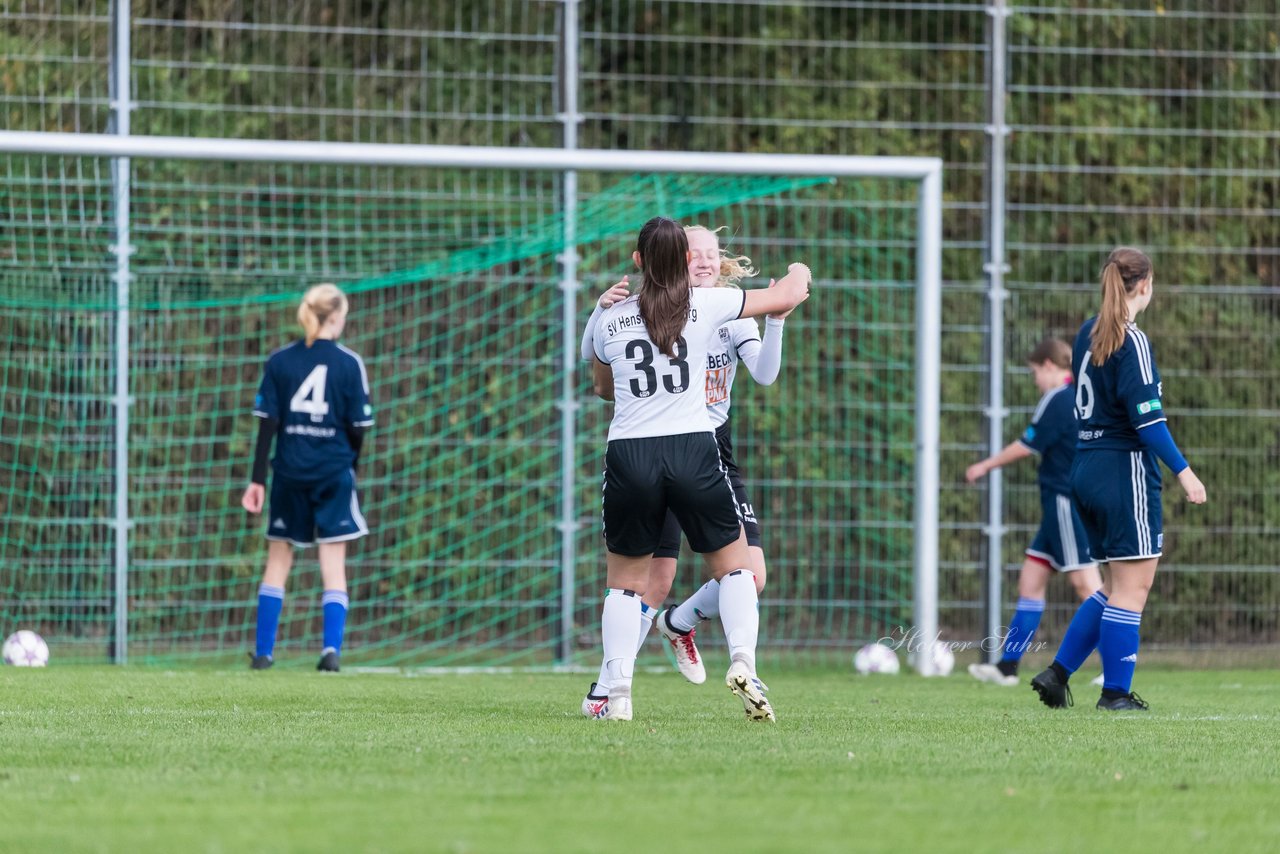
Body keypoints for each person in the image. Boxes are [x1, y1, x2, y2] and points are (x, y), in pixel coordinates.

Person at [583, 216, 810, 721]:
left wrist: (598, 317)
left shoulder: (613, 314)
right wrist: (796, 271)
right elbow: (793, 289)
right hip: (692, 447)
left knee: (624, 582)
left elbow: (598, 382)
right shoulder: (707, 305)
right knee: (733, 569)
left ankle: (615, 693)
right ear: (680, 262)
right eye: (694, 253)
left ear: (639, 262)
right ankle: (743, 660)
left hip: (632, 450)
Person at [1030, 247, 1206, 712]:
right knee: (1134, 588)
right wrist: (1185, 473)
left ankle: (1057, 673)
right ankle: (1115, 694)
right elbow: (1148, 421)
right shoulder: (1132, 340)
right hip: (1122, 469)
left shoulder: (1089, 331)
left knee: (1114, 585)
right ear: (1144, 285)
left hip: (1085, 468)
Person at [240, 283, 374, 673]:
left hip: (288, 472)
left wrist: (256, 480)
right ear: (337, 316)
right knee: (332, 561)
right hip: (333, 473)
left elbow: (269, 424)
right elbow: (359, 426)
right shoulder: (350, 364)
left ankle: (264, 654)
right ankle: (330, 651)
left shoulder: (281, 361)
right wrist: (352, 465)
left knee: (278, 560)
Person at [965, 338, 1105, 687]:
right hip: (1058, 506)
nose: (1035, 381)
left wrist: (985, 465)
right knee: (1030, 582)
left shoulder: (1057, 398)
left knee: (1087, 585)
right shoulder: (1077, 396)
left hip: (1065, 502)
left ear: (1047, 365)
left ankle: (1113, 668)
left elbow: (1027, 446)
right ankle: (1007, 667)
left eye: (1034, 373)